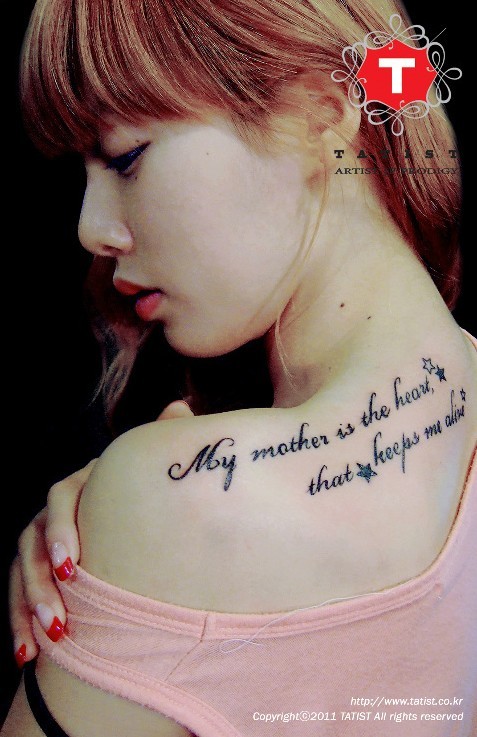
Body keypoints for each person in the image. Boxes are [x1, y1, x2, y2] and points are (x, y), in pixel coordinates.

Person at [3, 0, 476, 734]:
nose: (92, 230)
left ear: (318, 114)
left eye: (125, 156)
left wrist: (134, 516)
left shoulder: (176, 506)